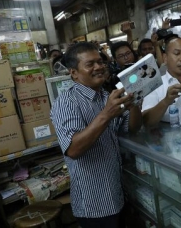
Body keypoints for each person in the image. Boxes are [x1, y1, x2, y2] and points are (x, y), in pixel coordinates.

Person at [50, 42, 142, 228]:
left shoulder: (104, 96)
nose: (99, 67)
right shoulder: (67, 102)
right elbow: (74, 149)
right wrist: (107, 114)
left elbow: (131, 128)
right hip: (95, 205)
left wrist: (136, 103)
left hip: (117, 195)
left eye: (100, 62)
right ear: (73, 72)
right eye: (90, 64)